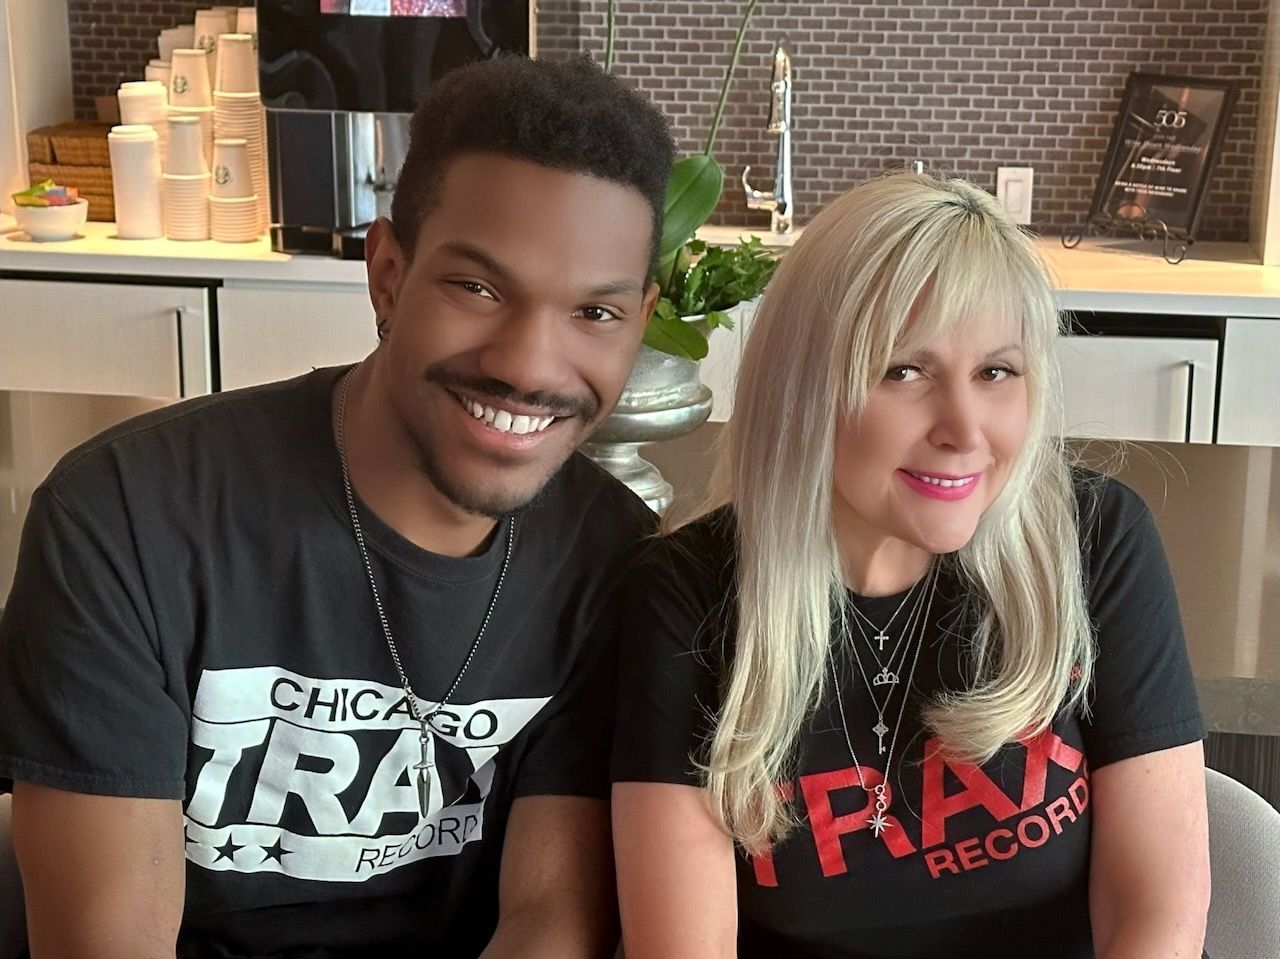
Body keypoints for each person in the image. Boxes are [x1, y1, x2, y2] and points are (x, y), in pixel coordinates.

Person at [0, 55, 672, 958]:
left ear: (641, 317)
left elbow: (551, 918)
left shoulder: (613, 559)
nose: (530, 365)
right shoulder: (125, 518)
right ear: (388, 271)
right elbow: (109, 940)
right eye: (477, 288)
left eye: (596, 313)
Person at [611, 172, 1211, 959]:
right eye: (905, 371)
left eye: (996, 371)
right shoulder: (688, 593)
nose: (965, 429)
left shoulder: (1094, 540)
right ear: (805, 389)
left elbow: (1155, 915)